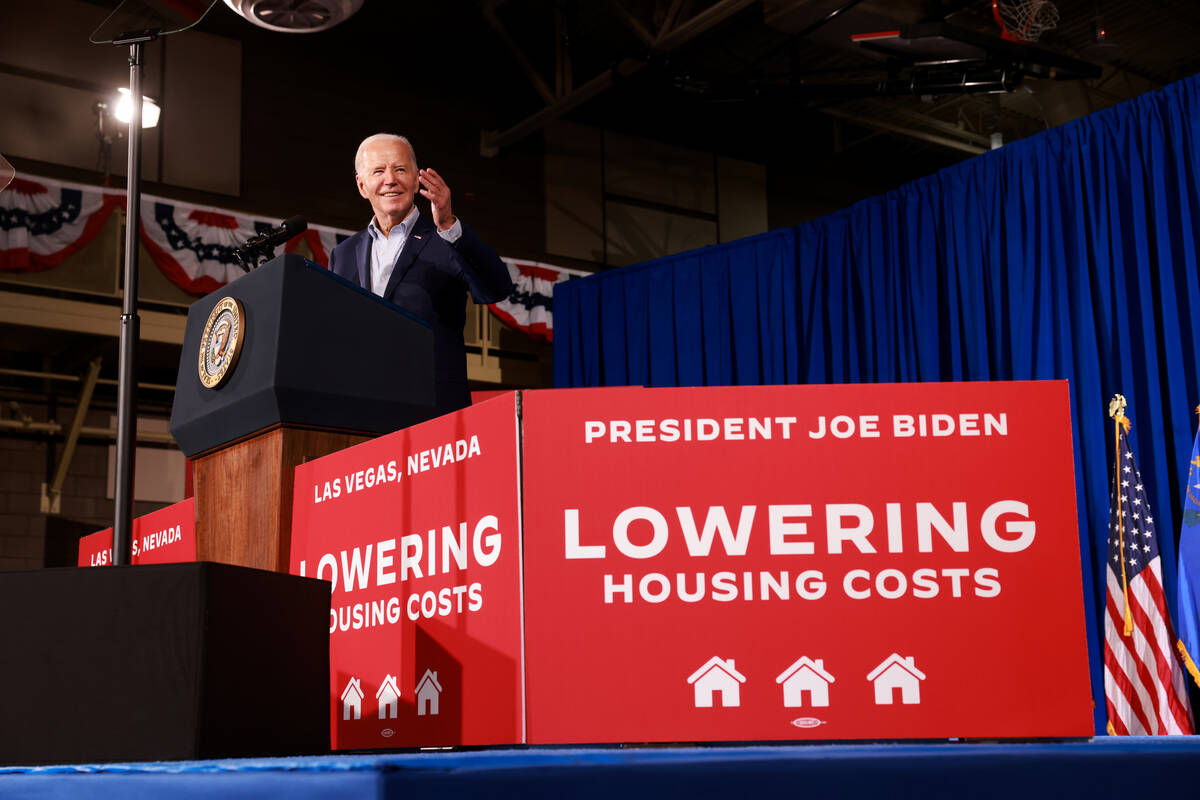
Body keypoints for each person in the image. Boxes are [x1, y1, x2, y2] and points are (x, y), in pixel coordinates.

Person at [329, 133, 514, 415]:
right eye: (378, 171)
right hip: (362, 411)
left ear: (417, 180)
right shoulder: (342, 254)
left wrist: (450, 225)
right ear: (362, 185)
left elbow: (497, 287)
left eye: (400, 169)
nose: (390, 179)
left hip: (432, 413)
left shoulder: (445, 237)